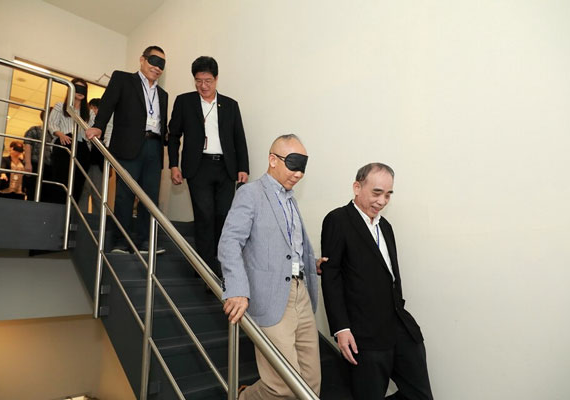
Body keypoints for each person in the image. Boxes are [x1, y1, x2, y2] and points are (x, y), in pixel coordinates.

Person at [320, 163, 433, 400]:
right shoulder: (338, 220)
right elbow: (332, 278)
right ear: (357, 187)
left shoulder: (386, 227)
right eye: (377, 193)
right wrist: (341, 328)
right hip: (364, 336)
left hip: (399, 327)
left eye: (388, 194)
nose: (382, 201)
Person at [219, 134, 320, 399]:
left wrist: (311, 263)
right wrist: (237, 288)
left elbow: (285, 247)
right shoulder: (250, 193)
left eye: (303, 167)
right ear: (273, 160)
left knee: (311, 381)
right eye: (293, 165)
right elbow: (229, 242)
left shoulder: (291, 200)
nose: (299, 174)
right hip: (271, 296)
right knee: (284, 385)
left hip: (301, 294)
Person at [168, 56, 249, 275]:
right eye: (198, 81)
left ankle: (221, 265)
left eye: (208, 81)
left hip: (225, 168)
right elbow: (173, 136)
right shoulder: (184, 102)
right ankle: (204, 269)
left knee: (223, 216)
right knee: (204, 216)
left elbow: (239, 138)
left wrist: (243, 167)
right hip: (198, 167)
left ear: (216, 79)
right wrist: (174, 165)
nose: (203, 86)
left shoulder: (230, 105)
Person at [86, 45, 168, 255]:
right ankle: (121, 241)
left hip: (154, 146)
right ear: (142, 59)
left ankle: (144, 241)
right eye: (153, 61)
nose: (157, 67)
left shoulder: (163, 94)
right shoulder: (123, 79)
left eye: (162, 64)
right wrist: (99, 125)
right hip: (129, 145)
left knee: (150, 197)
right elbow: (108, 103)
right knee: (124, 195)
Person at [49, 77, 94, 204]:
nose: (80, 91)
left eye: (83, 89)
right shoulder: (60, 106)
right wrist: (61, 135)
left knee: (78, 182)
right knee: (61, 179)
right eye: (77, 88)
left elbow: (91, 129)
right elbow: (52, 124)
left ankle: (71, 210)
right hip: (64, 144)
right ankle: (58, 209)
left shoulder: (89, 113)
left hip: (82, 148)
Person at [79, 98, 112, 213]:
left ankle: (97, 220)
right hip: (86, 161)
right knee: (83, 191)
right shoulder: (87, 121)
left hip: (99, 163)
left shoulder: (107, 123)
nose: (92, 111)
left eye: (93, 108)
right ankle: (80, 217)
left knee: (98, 194)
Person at [23, 109, 54, 202]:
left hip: (50, 167)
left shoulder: (55, 134)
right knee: (32, 192)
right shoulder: (35, 130)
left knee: (47, 194)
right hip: (35, 164)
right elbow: (28, 145)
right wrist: (28, 163)